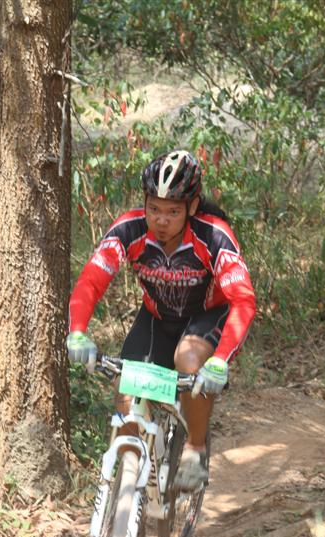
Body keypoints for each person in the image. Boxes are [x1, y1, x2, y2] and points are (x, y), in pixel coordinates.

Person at [66, 150, 256, 490]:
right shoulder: (129, 229)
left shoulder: (214, 236)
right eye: (153, 208)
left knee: (189, 360)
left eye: (172, 211)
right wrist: (78, 331)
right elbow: (92, 280)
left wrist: (219, 359)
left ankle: (195, 449)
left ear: (192, 207)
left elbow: (243, 300)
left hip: (206, 317)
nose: (161, 220)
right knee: (126, 387)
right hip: (157, 318)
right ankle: (129, 485)